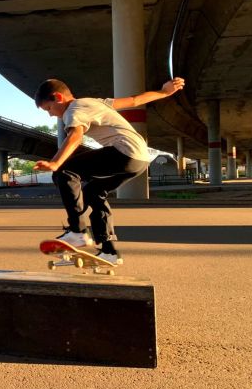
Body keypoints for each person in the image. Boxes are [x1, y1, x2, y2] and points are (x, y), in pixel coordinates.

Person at [33, 77, 185, 264]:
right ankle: (109, 252)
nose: (50, 115)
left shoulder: (73, 109)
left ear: (58, 97)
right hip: (140, 159)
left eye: (48, 108)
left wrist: (55, 163)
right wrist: (163, 92)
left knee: (64, 172)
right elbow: (134, 100)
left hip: (124, 152)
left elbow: (76, 135)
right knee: (93, 192)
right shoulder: (96, 103)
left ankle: (77, 232)